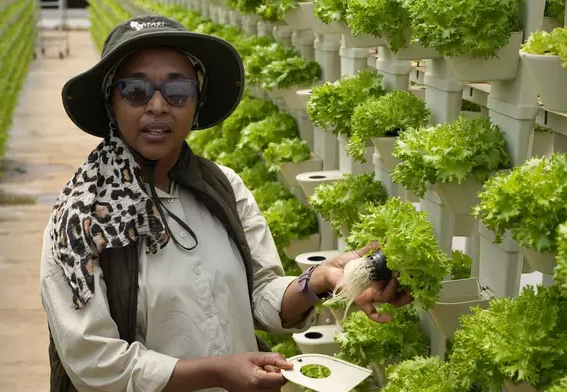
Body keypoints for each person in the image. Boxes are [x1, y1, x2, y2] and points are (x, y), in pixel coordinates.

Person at [39, 14, 412, 392]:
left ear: (196, 103)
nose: (156, 106)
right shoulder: (80, 219)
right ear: (111, 104)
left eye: (177, 90)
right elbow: (93, 361)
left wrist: (321, 281)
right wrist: (217, 371)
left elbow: (260, 294)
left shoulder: (223, 187)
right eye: (135, 90)